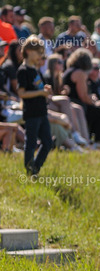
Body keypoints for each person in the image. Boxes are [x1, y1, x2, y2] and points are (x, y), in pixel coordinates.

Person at [17, 36, 53, 175]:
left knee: (48, 142)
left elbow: (40, 88)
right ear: (28, 51)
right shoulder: (23, 71)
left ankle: (35, 168)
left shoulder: (36, 70)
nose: (41, 56)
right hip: (32, 113)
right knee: (31, 143)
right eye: (39, 52)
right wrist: (40, 92)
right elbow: (22, 93)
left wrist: (46, 89)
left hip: (42, 112)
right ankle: (29, 171)